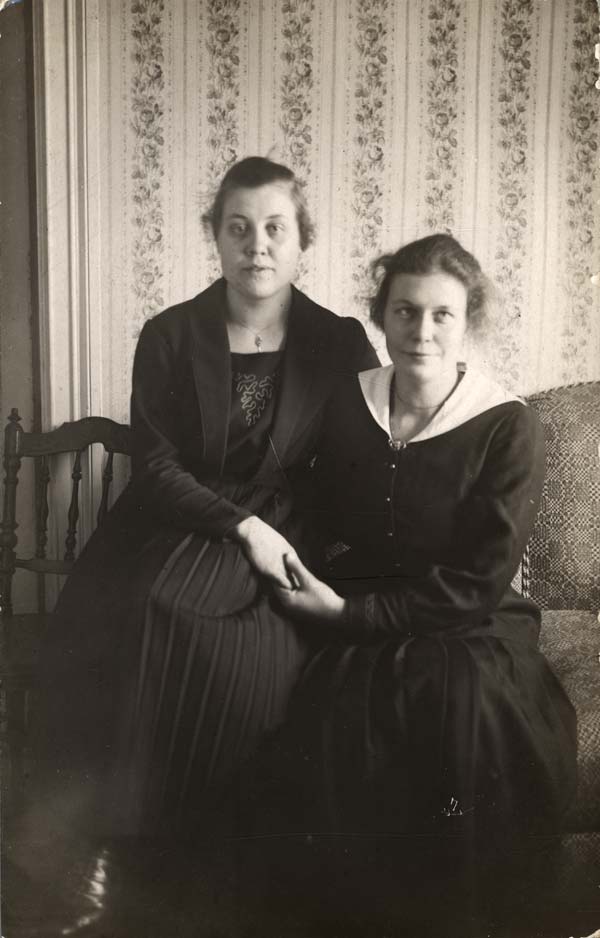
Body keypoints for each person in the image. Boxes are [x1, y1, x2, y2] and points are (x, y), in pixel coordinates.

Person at [29, 155, 379, 843]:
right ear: (215, 235)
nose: (257, 246)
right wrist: (243, 527)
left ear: (302, 239)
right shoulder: (170, 333)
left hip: (292, 527)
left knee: (260, 653)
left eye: (275, 228)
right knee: (154, 610)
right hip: (180, 517)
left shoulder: (338, 341)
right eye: (238, 227)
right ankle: (121, 845)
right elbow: (157, 466)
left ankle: (219, 855)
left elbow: (370, 455)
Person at [258, 233, 577, 933]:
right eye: (405, 311)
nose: (421, 332)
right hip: (355, 596)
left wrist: (346, 614)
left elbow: (481, 579)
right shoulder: (347, 402)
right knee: (332, 714)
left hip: (469, 618)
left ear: (467, 323)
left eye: (441, 315)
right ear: (382, 314)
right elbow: (308, 505)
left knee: (455, 704)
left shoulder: (507, 425)